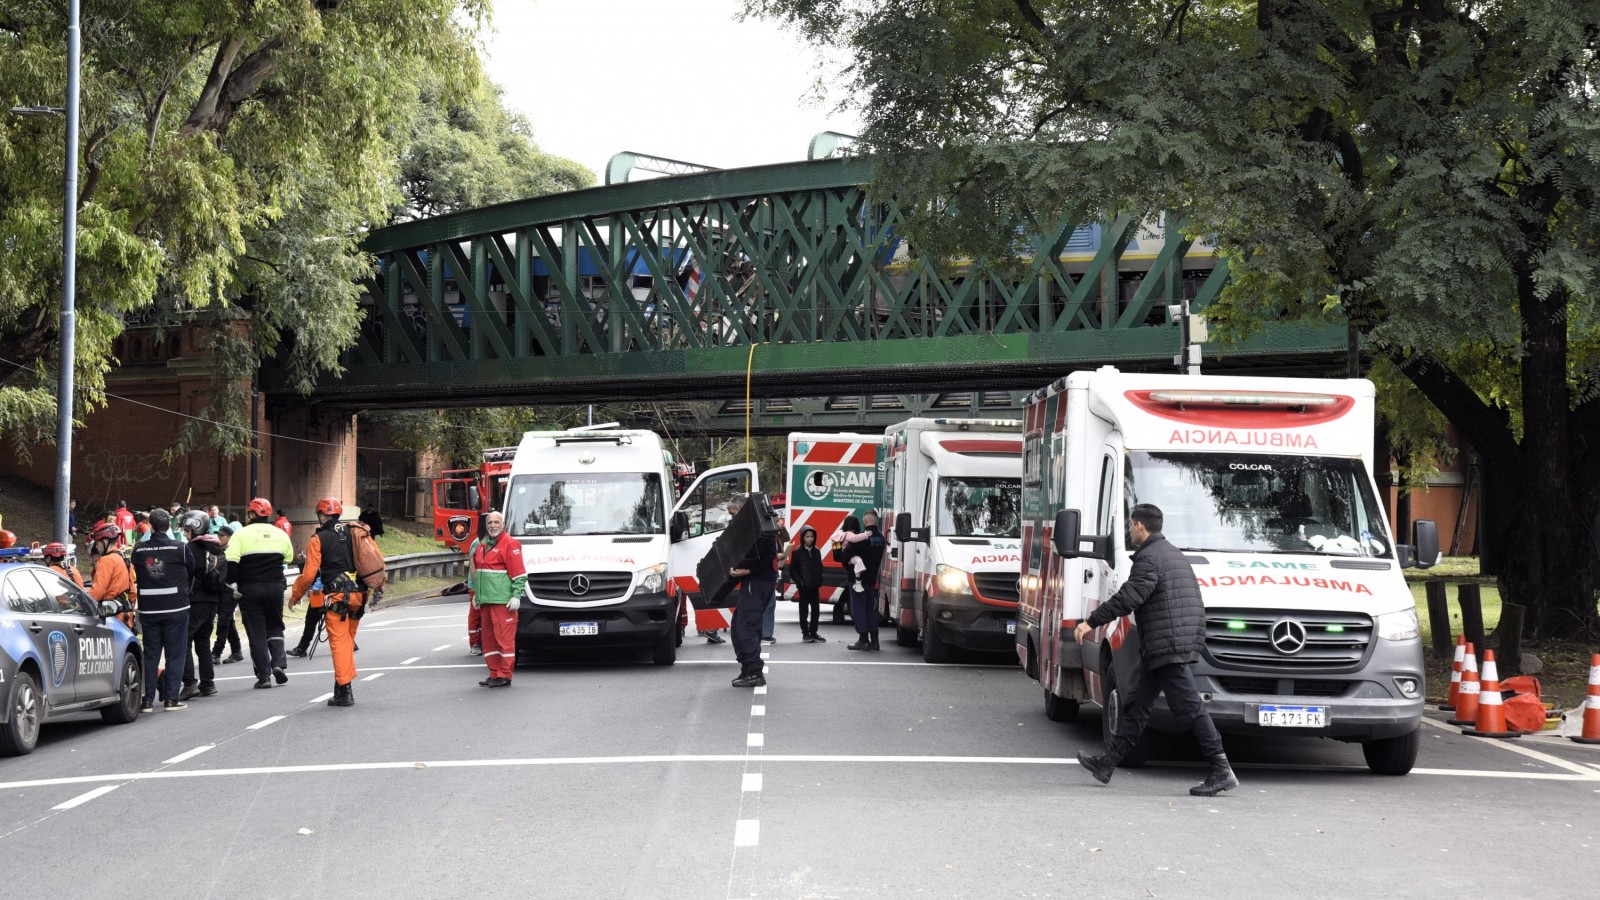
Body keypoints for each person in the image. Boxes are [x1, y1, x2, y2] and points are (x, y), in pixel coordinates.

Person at [1073, 503, 1238, 797]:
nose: (1129, 529)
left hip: (1168, 644)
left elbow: (1129, 597)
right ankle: (1107, 764)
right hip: (1169, 642)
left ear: (1139, 526)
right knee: (1137, 704)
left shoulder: (1149, 559)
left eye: (1131, 524)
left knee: (1190, 707)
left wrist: (1091, 622)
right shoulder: (1172, 554)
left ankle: (1221, 768)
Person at [290, 498, 369, 706]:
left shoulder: (319, 539)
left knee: (340, 644)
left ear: (321, 515)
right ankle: (341, 686)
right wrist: (380, 586)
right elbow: (371, 559)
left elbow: (308, 575)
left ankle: (344, 692)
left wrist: (295, 595)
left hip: (337, 598)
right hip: (359, 596)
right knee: (347, 642)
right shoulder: (354, 533)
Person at [226, 497, 295, 689]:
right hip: (275, 587)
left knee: (256, 631)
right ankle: (279, 664)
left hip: (250, 588)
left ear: (251, 514)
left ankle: (264, 676)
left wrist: (233, 584)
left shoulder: (241, 534)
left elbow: (231, 561)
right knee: (275, 626)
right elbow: (288, 557)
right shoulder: (280, 533)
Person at [131, 509, 194, 711]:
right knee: (175, 654)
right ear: (169, 525)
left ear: (150, 525)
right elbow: (192, 570)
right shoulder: (181, 548)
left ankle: (147, 700)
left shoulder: (139, 551)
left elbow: (139, 570)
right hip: (177, 607)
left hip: (149, 610)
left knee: (151, 654)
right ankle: (171, 699)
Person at [467, 511, 525, 687]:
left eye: (496, 522)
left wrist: (516, 596)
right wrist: (477, 594)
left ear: (503, 524)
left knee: (504, 641)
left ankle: (505, 675)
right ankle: (494, 673)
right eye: (490, 522)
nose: (492, 525)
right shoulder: (482, 545)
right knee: (489, 641)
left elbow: (519, 574)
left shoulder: (510, 544)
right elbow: (478, 573)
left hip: (502, 602)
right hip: (486, 602)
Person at [726, 495, 780, 688]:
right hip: (757, 581)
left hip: (757, 582)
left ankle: (754, 672)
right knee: (740, 626)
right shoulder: (759, 526)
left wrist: (747, 571)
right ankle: (748, 669)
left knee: (745, 627)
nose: (732, 519)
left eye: (734, 514)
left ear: (742, 510)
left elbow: (767, 558)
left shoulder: (760, 529)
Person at [179, 511, 226, 700]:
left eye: (187, 529)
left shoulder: (192, 549)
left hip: (195, 600)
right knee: (203, 642)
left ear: (195, 527)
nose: (184, 533)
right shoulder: (216, 547)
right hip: (213, 600)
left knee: (183, 641)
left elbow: (186, 575)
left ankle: (190, 683)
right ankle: (208, 683)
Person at [835, 511, 886, 651]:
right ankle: (875, 641)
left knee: (858, 609)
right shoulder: (881, 538)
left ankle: (863, 639)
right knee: (870, 609)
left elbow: (844, 556)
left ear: (865, 522)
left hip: (858, 580)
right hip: (872, 579)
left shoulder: (862, 539)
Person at [87, 523, 137, 631]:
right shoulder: (124, 558)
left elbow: (97, 592)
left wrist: (83, 603)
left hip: (110, 618)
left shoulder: (106, 560)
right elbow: (132, 592)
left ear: (105, 541)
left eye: (97, 543)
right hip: (125, 617)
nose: (96, 546)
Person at [210, 525, 245, 665]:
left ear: (230, 537)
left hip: (232, 589)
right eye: (218, 535)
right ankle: (236, 651)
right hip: (221, 590)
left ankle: (216, 652)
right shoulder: (218, 550)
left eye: (222, 536)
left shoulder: (233, 550)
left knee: (224, 620)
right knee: (228, 620)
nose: (219, 538)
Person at [790, 526, 826, 643]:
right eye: (807, 536)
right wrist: (800, 581)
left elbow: (819, 567)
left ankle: (814, 633)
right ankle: (805, 634)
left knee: (816, 611)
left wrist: (820, 579)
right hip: (803, 587)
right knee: (804, 611)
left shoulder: (817, 551)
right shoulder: (797, 552)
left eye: (812, 536)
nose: (810, 539)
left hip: (815, 586)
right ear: (802, 537)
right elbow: (793, 570)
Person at [287, 573, 325, 658]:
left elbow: (307, 577)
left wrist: (295, 597)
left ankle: (302, 648)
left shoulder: (314, 560)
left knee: (310, 622)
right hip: (337, 591)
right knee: (336, 621)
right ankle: (350, 644)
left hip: (319, 592)